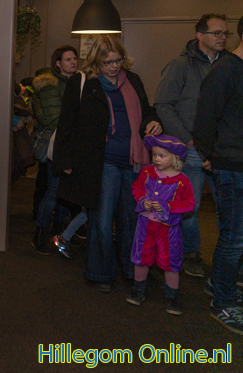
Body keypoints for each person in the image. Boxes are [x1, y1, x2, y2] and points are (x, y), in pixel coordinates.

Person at [53, 35, 162, 293]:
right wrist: (64, 159)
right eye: (108, 62)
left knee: (130, 220)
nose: (114, 66)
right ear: (96, 61)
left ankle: (131, 270)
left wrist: (153, 121)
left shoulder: (132, 80)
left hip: (134, 162)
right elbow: (67, 122)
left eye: (118, 60)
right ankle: (101, 272)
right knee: (101, 221)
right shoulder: (84, 83)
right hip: (101, 162)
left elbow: (146, 110)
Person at [153, 13, 230, 278]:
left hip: (223, 151)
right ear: (200, 36)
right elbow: (163, 104)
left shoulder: (230, 64)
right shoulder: (181, 65)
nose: (222, 37)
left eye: (226, 33)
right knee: (190, 208)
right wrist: (186, 138)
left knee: (228, 208)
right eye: (217, 33)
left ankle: (228, 261)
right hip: (193, 150)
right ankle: (191, 254)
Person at [194, 17, 243, 335]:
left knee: (237, 236)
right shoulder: (225, 70)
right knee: (233, 237)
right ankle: (222, 302)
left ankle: (220, 284)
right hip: (230, 165)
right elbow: (204, 120)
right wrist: (208, 155)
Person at [126, 135, 194, 315]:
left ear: (175, 158)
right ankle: (138, 290)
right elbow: (137, 188)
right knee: (141, 257)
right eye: (155, 155)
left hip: (168, 229)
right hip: (145, 225)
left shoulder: (183, 181)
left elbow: (189, 204)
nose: (156, 159)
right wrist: (143, 200)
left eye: (162, 156)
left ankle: (172, 297)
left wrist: (168, 206)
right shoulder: (147, 172)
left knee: (170, 261)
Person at [30, 45, 79, 254]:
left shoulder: (77, 82)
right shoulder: (50, 85)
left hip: (71, 143)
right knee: (54, 190)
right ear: (58, 64)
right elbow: (54, 119)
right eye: (68, 59)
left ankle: (59, 233)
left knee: (65, 191)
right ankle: (40, 232)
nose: (73, 62)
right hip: (56, 144)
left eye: (75, 58)